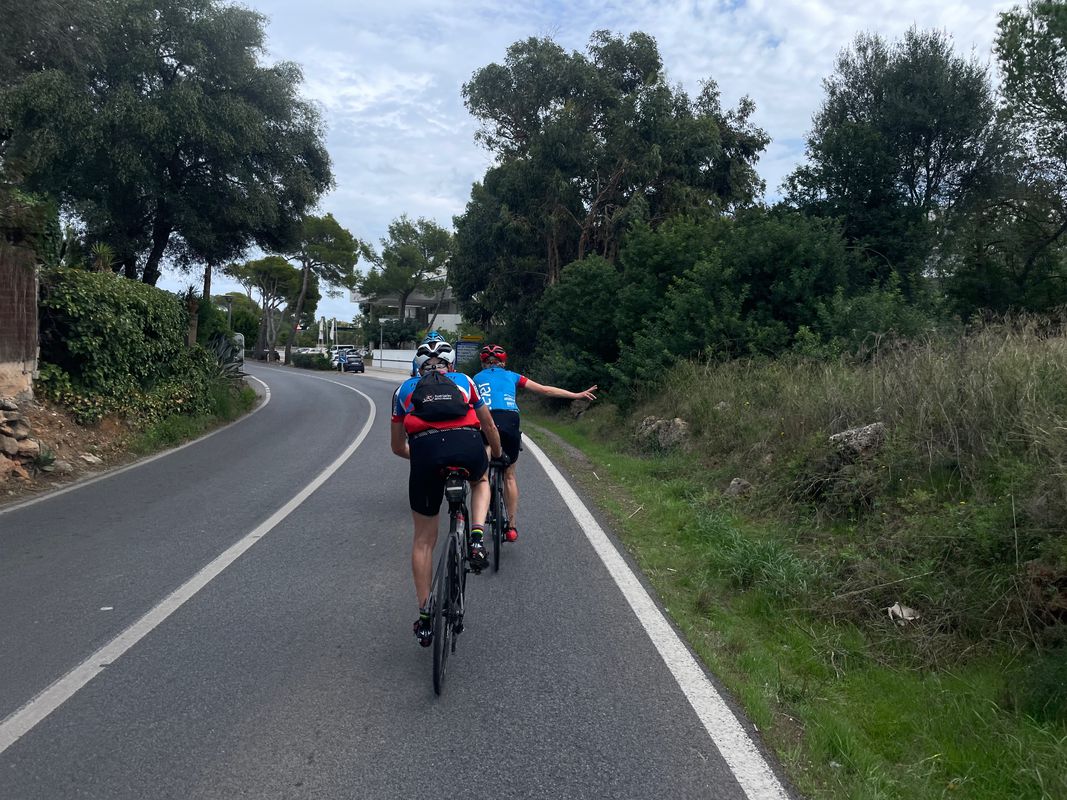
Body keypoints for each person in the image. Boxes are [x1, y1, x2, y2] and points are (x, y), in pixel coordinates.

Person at [391, 336, 503, 647]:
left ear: (417, 366)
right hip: (467, 448)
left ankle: (425, 617)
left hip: (425, 454)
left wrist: (427, 456)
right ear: (450, 364)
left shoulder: (403, 390)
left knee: (424, 540)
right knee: (480, 481)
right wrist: (496, 454)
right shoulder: (465, 380)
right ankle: (477, 536)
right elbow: (489, 426)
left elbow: (397, 447)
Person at [473, 344, 597, 542]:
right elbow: (545, 391)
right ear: (503, 363)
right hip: (509, 420)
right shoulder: (513, 376)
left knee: (482, 473)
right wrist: (576, 394)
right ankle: (511, 527)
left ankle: (482, 496)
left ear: (482, 363)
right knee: (510, 475)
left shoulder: (476, 378)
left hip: (485, 421)